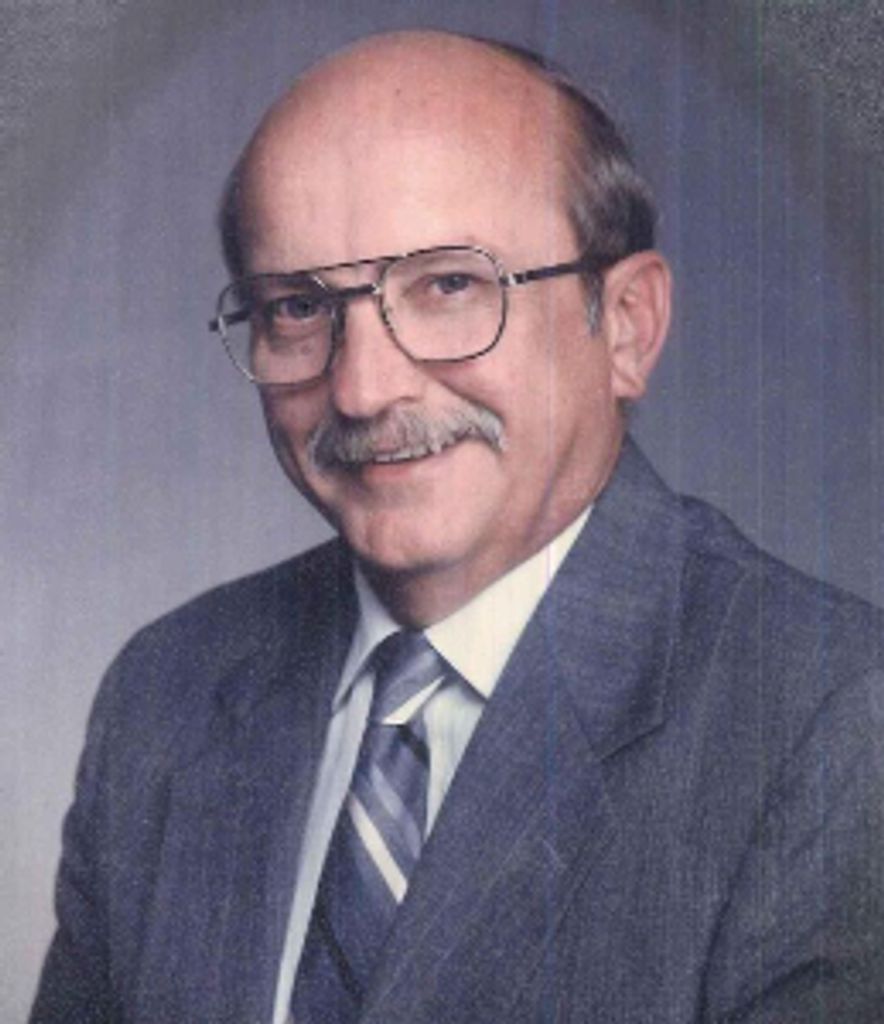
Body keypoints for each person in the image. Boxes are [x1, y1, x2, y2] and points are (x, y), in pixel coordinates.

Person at [31, 29, 884, 1024]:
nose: (363, 387)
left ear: (626, 324)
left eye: (447, 285)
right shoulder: (165, 694)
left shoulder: (826, 723)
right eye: (298, 306)